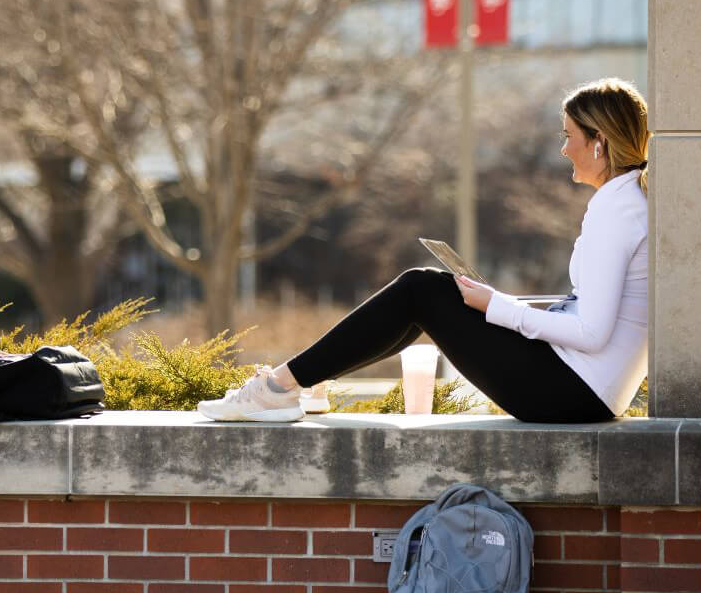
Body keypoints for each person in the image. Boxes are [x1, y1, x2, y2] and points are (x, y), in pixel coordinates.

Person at [199, 78, 650, 424]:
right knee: (427, 295)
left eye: (570, 135)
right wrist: (500, 305)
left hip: (571, 391)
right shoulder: (624, 202)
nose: (564, 148)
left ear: (600, 141)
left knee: (420, 290)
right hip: (576, 384)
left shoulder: (619, 210)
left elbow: (592, 333)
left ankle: (279, 387)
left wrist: (498, 306)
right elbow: (591, 315)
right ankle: (304, 382)